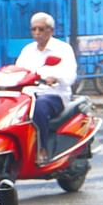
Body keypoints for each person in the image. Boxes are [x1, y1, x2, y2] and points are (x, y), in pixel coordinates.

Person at [14, 12, 77, 163]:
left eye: (41, 29)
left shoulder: (63, 49)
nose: (37, 33)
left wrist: (55, 77)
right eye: (34, 29)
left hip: (54, 95)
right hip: (29, 94)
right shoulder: (27, 50)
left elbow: (70, 75)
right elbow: (18, 70)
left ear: (51, 30)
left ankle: (42, 149)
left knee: (39, 107)